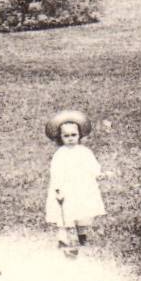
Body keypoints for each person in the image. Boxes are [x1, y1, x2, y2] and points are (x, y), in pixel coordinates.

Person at [45, 109, 104, 254]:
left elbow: (92, 165)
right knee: (64, 214)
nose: (70, 139)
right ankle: (63, 239)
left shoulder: (84, 152)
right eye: (66, 136)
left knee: (82, 212)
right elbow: (56, 172)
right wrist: (58, 189)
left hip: (82, 187)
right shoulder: (60, 154)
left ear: (79, 135)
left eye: (73, 135)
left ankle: (82, 237)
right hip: (66, 188)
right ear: (60, 137)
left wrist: (98, 174)